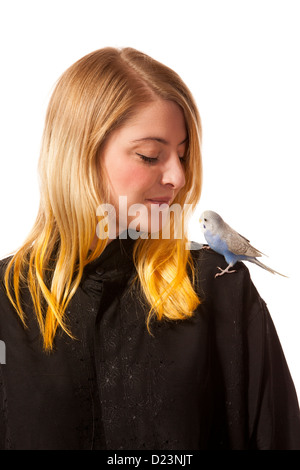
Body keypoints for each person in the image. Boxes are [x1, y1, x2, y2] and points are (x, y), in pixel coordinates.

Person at [0, 47, 299, 450]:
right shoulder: (6, 301)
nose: (177, 176)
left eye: (182, 153)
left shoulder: (217, 288)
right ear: (80, 155)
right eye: (150, 155)